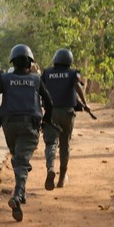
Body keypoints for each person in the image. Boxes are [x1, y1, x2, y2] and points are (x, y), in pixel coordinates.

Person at [0, 44, 53, 222]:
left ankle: (21, 193)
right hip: (29, 125)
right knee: (22, 161)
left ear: (13, 62)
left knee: (17, 157)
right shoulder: (36, 80)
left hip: (9, 124)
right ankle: (17, 195)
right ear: (30, 63)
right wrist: (47, 119)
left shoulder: (4, 78)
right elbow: (49, 102)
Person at [41, 48, 89, 189]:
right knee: (65, 144)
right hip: (67, 113)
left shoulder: (47, 73)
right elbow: (78, 87)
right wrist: (85, 104)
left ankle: (50, 168)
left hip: (51, 113)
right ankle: (62, 178)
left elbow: (40, 89)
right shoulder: (73, 73)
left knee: (51, 143)